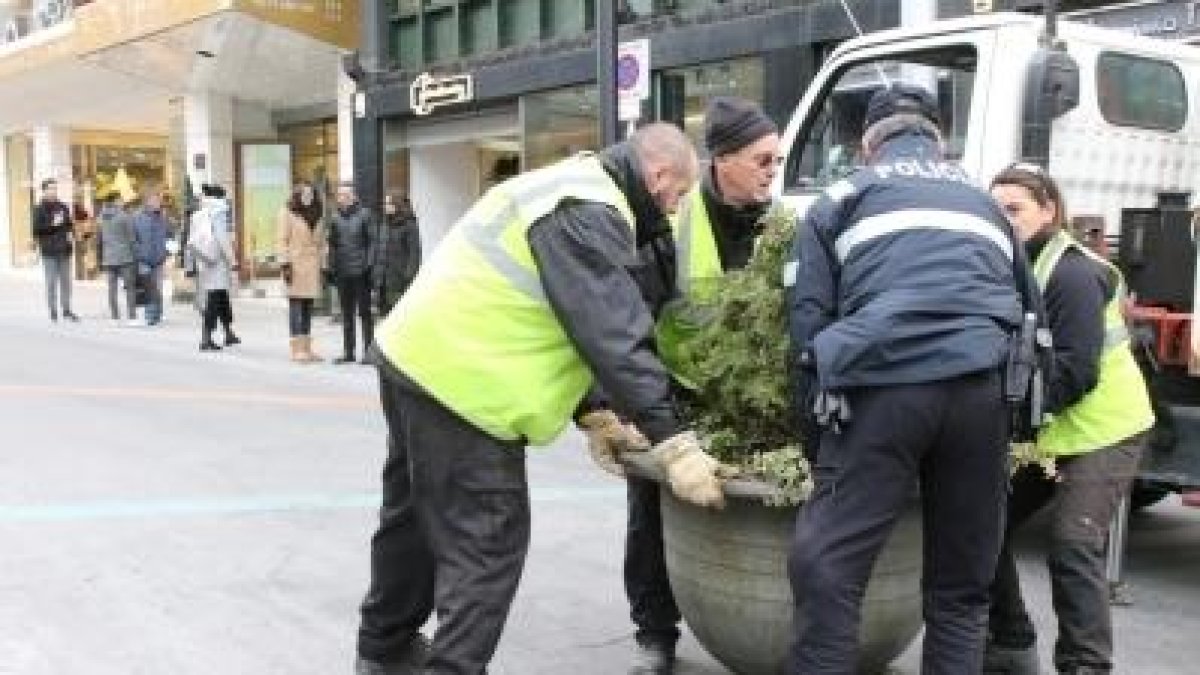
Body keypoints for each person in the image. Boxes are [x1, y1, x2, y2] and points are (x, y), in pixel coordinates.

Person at [354, 123, 727, 675]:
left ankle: (383, 651)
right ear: (659, 175)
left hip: (413, 359)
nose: (672, 214)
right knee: (486, 543)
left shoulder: (566, 182)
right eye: (674, 200)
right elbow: (614, 334)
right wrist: (674, 442)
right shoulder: (591, 210)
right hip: (467, 387)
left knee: (411, 521)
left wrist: (592, 409)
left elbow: (555, 313)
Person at [784, 84, 1032, 673]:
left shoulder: (838, 198)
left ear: (868, 145)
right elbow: (1030, 316)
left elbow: (807, 324)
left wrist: (817, 441)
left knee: (830, 571)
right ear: (938, 141)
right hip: (981, 390)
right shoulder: (986, 204)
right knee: (960, 589)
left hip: (879, 389)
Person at [582, 97, 782, 672]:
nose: (773, 171)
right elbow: (620, 322)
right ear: (722, 159)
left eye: (777, 160)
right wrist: (614, 408)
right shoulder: (670, 219)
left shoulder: (780, 223)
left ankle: (744, 617)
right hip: (668, 393)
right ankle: (655, 632)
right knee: (652, 509)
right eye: (762, 159)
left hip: (745, 399)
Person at [985, 165, 1155, 675]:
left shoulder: (1072, 273)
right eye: (995, 210)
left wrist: (1012, 426)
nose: (1003, 219)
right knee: (982, 525)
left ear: (1048, 210)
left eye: (1014, 209)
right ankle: (1011, 643)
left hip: (1107, 429)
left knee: (1072, 543)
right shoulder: (1016, 263)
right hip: (1056, 429)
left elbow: (1075, 372)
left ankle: (1086, 666)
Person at [277, 182, 327, 363]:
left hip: (313, 266)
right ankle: (296, 348)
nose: (308, 197)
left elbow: (322, 244)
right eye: (305, 194)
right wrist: (285, 265)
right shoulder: (287, 212)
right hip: (295, 266)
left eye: (311, 194)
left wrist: (323, 266)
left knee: (307, 307)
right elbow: (282, 240)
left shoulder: (318, 214)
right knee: (296, 306)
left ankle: (306, 347)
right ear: (297, 195)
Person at [327, 182, 376, 364]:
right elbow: (332, 245)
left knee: (365, 313)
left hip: (361, 272)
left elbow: (372, 242)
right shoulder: (334, 218)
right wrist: (331, 267)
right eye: (340, 195)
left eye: (346, 194)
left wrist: (368, 265)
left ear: (354, 196)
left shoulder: (365, 215)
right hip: (342, 273)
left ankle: (369, 352)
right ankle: (349, 352)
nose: (343, 198)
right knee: (347, 314)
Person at [188, 184, 239, 351]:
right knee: (214, 299)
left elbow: (192, 240)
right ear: (220, 197)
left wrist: (192, 264)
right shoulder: (218, 211)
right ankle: (206, 337)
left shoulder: (199, 214)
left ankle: (228, 331)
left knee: (221, 296)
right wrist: (232, 260)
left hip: (205, 260)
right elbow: (222, 238)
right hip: (217, 261)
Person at [31, 178, 79, 322]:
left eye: (55, 188)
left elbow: (69, 225)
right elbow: (36, 230)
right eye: (51, 188)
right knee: (51, 282)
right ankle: (53, 310)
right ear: (44, 190)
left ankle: (66, 310)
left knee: (66, 282)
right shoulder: (39, 209)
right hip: (49, 252)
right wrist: (53, 224)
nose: (54, 191)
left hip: (64, 250)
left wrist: (72, 235)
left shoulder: (63, 207)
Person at [373, 192, 421, 315]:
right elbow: (379, 250)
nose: (385, 206)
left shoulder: (409, 224)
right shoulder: (385, 224)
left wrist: (408, 276)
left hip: (399, 280)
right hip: (382, 281)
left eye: (388, 203)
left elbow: (414, 253)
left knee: (399, 315)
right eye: (384, 203)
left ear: (397, 204)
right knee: (384, 315)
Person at [96, 194, 139, 326]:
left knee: (112, 288)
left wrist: (101, 258)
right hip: (125, 257)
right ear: (116, 202)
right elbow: (132, 238)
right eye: (121, 200)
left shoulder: (101, 218)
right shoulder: (124, 217)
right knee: (130, 288)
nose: (123, 202)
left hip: (108, 258)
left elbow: (99, 240)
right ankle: (132, 317)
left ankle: (114, 317)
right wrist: (135, 254)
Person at [132, 191, 171, 326]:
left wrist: (168, 251)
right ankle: (150, 316)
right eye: (154, 200)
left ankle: (157, 313)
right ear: (147, 202)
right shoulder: (137, 217)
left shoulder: (163, 218)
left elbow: (170, 235)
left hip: (159, 258)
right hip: (144, 259)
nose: (157, 203)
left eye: (158, 200)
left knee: (158, 287)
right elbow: (133, 238)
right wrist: (138, 252)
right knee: (149, 287)